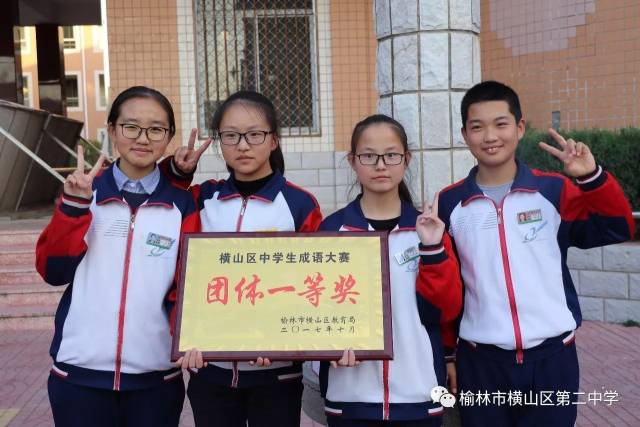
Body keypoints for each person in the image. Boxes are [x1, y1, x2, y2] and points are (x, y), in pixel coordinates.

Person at [438, 80, 635, 427]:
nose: (490, 136)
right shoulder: (451, 202)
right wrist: (448, 354)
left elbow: (617, 227)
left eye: (500, 124)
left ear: (519, 127)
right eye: (477, 127)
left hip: (552, 359)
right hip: (480, 363)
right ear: (465, 135)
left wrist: (591, 178)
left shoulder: (553, 190)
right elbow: (447, 286)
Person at [36, 86, 199, 426]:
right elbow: (53, 271)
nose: (143, 138)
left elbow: (187, 287)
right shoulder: (86, 194)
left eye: (156, 129)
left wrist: (194, 339)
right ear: (112, 130)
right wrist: (74, 207)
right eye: (131, 127)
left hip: (155, 380)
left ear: (169, 137)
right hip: (78, 377)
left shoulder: (181, 205)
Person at [163, 90, 322, 427]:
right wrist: (177, 172)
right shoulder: (202, 199)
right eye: (231, 136)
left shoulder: (299, 205)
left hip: (277, 374)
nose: (243, 145)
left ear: (274, 140)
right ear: (220, 142)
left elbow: (314, 286)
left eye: (254, 134)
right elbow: (179, 266)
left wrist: (283, 343)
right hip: (210, 371)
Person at [318, 114, 463, 426]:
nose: (381, 165)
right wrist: (326, 348)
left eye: (391, 155)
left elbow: (445, 311)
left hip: (419, 395)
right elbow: (316, 308)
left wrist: (432, 249)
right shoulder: (332, 231)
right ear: (353, 161)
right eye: (369, 156)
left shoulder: (428, 230)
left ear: (406, 159)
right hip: (350, 398)